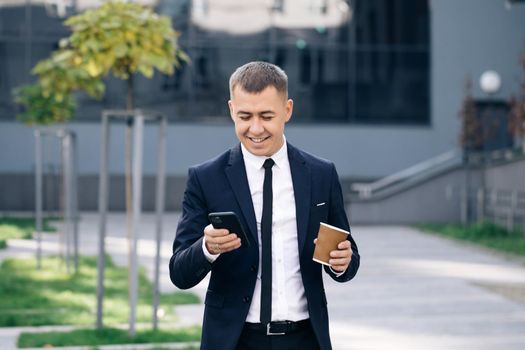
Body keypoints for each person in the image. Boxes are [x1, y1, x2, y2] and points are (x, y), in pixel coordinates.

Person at [169, 61, 360, 350]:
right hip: (235, 341)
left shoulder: (321, 174)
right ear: (232, 110)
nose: (255, 128)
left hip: (306, 339)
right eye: (245, 116)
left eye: (266, 116)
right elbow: (179, 273)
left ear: (287, 111)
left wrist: (342, 263)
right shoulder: (205, 178)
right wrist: (207, 249)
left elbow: (346, 256)